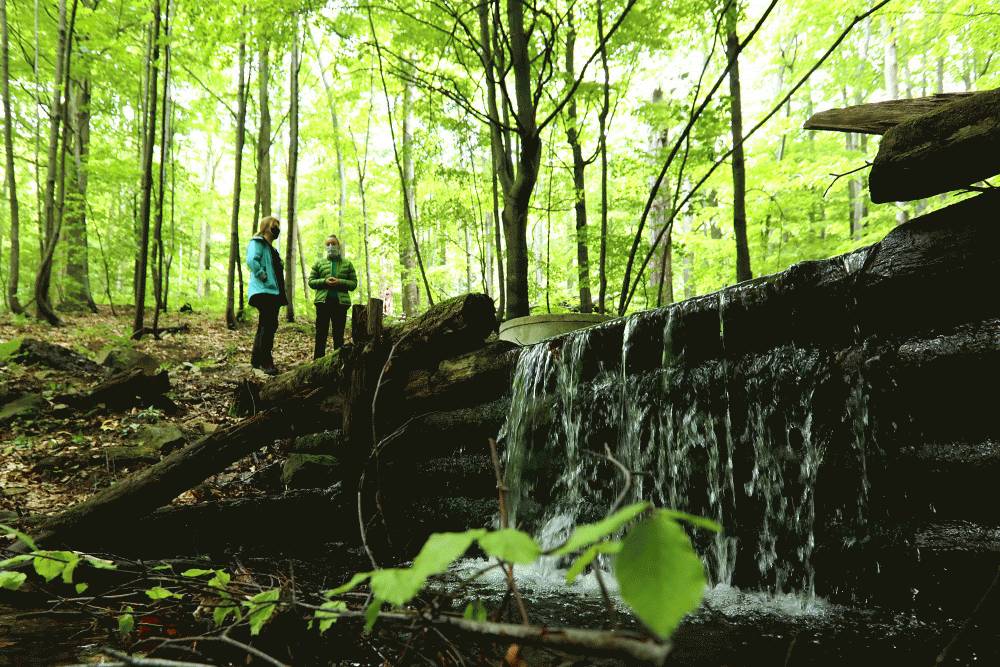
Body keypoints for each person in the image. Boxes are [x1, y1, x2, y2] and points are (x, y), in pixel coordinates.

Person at [246, 216, 287, 375]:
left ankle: (256, 361)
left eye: (278, 226)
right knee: (268, 326)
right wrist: (262, 274)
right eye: (273, 226)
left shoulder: (272, 249)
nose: (276, 229)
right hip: (264, 291)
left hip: (274, 292)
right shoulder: (258, 242)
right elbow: (251, 260)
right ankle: (266, 362)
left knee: (266, 325)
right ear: (265, 227)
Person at [308, 234, 358, 358]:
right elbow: (311, 282)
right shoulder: (319, 264)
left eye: (333, 243)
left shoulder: (347, 264)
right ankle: (317, 363)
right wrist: (324, 281)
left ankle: (338, 362)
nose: (331, 246)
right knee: (321, 334)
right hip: (323, 303)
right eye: (328, 244)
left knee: (338, 335)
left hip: (340, 305)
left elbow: (353, 284)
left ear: (338, 246)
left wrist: (339, 282)